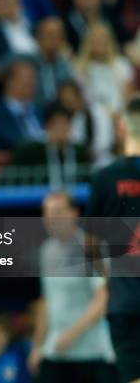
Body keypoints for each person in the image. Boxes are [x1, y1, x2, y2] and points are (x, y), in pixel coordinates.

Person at [28, 191, 115, 383]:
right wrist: (37, 345)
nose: (51, 218)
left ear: (74, 213)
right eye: (47, 212)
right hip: (54, 353)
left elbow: (102, 300)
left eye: (57, 211)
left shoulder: (93, 247)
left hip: (91, 354)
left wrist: (71, 335)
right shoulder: (46, 251)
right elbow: (47, 300)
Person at [84, 95, 140, 383]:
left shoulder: (106, 178)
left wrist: (108, 278)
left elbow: (89, 245)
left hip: (125, 300)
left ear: (122, 128)